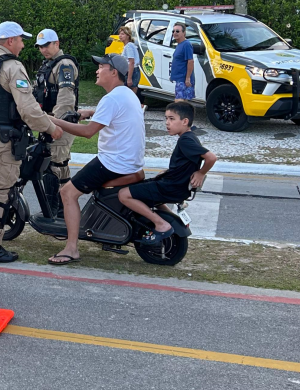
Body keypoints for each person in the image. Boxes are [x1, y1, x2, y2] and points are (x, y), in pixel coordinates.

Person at [0, 21, 64, 264]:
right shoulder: (11, 67)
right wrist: (52, 128)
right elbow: (28, 109)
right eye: (20, 40)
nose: (22, 44)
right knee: (1, 190)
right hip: (3, 138)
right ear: (10, 41)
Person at [48, 54, 145, 265]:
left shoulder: (111, 98)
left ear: (113, 72)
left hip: (114, 163)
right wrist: (90, 112)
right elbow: (113, 116)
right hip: (130, 161)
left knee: (67, 193)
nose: (97, 70)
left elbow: (88, 133)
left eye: (101, 67)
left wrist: (52, 120)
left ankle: (71, 248)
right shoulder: (126, 95)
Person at [118, 102, 216, 242]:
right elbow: (186, 163)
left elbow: (211, 157)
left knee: (124, 194)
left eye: (171, 119)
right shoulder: (190, 137)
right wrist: (168, 171)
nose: (167, 123)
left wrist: (201, 173)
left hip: (171, 187)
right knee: (145, 189)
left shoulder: (186, 140)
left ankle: (161, 224)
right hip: (175, 185)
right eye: (166, 119)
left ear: (185, 121)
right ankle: (171, 218)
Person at [33, 29, 79, 206]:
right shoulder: (48, 65)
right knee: (55, 166)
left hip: (60, 123)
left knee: (55, 166)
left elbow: (66, 98)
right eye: (40, 47)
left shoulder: (64, 64)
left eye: (47, 45)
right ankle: (61, 211)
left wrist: (55, 125)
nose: (43, 49)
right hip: (49, 122)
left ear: (56, 44)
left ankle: (56, 211)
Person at [170, 23, 194, 102]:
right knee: (183, 105)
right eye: (173, 31)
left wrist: (187, 78)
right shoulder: (179, 44)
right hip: (179, 79)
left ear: (184, 33)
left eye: (177, 31)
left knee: (178, 103)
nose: (175, 33)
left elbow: (190, 61)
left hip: (183, 79)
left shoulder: (186, 44)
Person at [118, 26, 141, 94]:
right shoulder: (128, 46)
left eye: (122, 34)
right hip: (132, 71)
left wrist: (129, 78)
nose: (120, 36)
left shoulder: (129, 46)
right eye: (119, 34)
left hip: (132, 71)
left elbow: (131, 62)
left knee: (130, 93)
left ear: (128, 36)